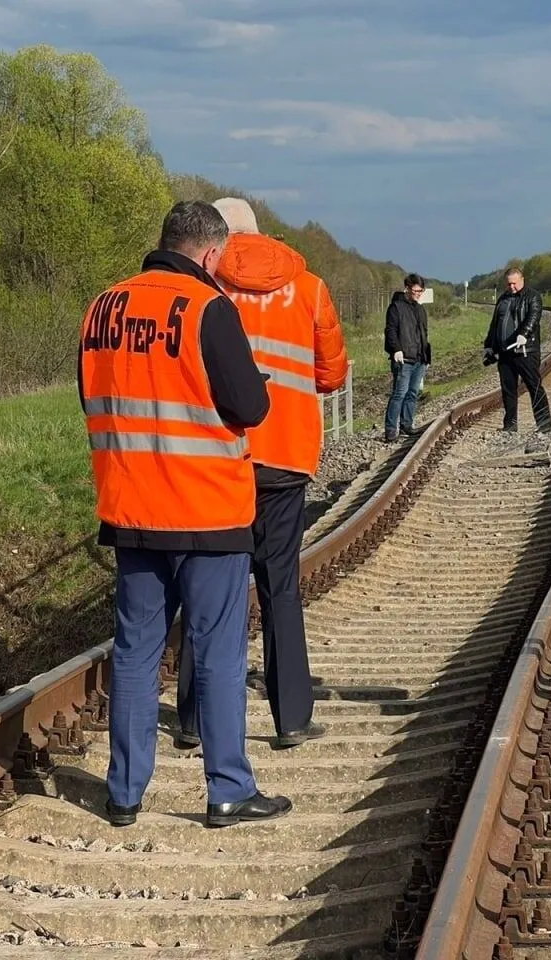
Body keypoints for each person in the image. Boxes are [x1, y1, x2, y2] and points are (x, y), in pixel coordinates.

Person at [77, 200, 292, 828]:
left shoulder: (103, 307)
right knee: (218, 651)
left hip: (132, 511)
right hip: (207, 512)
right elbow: (249, 407)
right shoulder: (208, 308)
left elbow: (93, 394)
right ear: (213, 252)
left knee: (137, 651)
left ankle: (124, 793)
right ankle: (228, 789)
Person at [172, 197, 349, 752]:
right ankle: (291, 716)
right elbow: (333, 373)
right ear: (261, 233)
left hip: (222, 455)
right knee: (281, 588)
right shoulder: (311, 286)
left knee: (209, 587)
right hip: (288, 457)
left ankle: (194, 721)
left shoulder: (202, 286)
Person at [484, 268, 551, 449]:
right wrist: (489, 345)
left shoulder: (533, 297)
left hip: (525, 351)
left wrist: (524, 333)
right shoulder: (503, 299)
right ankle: (510, 424)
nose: (512, 287)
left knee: (534, 386)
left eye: (515, 283)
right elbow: (495, 324)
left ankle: (544, 425)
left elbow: (533, 317)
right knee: (508, 389)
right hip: (505, 352)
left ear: (522, 280)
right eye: (509, 283)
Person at [384, 274, 431, 440]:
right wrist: (396, 349)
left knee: (412, 393)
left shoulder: (420, 309)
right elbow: (390, 331)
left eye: (420, 291)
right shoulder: (396, 308)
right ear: (407, 288)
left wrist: (427, 358)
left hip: (419, 359)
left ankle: (407, 424)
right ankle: (390, 429)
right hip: (403, 359)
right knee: (399, 393)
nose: (418, 293)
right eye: (415, 290)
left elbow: (423, 334)